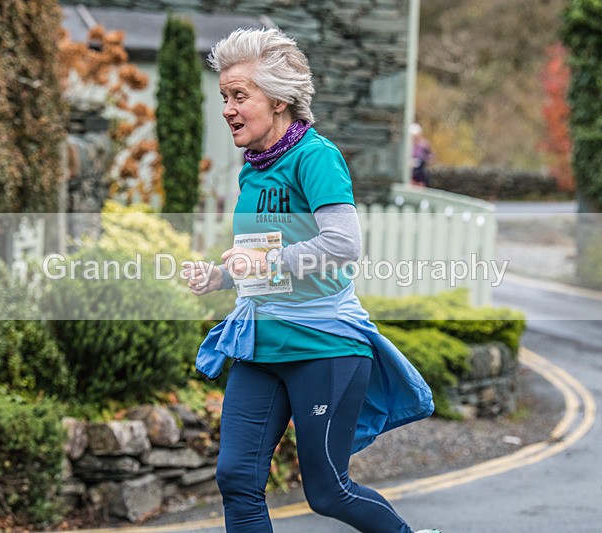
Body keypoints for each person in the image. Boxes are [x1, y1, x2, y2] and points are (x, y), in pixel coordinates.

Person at [182, 28, 439, 533]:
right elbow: (262, 258)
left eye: (240, 96)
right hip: (261, 344)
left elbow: (344, 245)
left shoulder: (316, 157)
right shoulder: (252, 171)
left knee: (327, 492)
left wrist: (267, 265)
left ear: (278, 100)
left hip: (324, 347)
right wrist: (218, 275)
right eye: (224, 97)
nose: (228, 108)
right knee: (236, 478)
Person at [409, 123, 433, 187]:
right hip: (410, 174)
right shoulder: (407, 145)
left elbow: (431, 157)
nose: (415, 138)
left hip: (420, 173)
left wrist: (425, 159)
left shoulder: (424, 145)